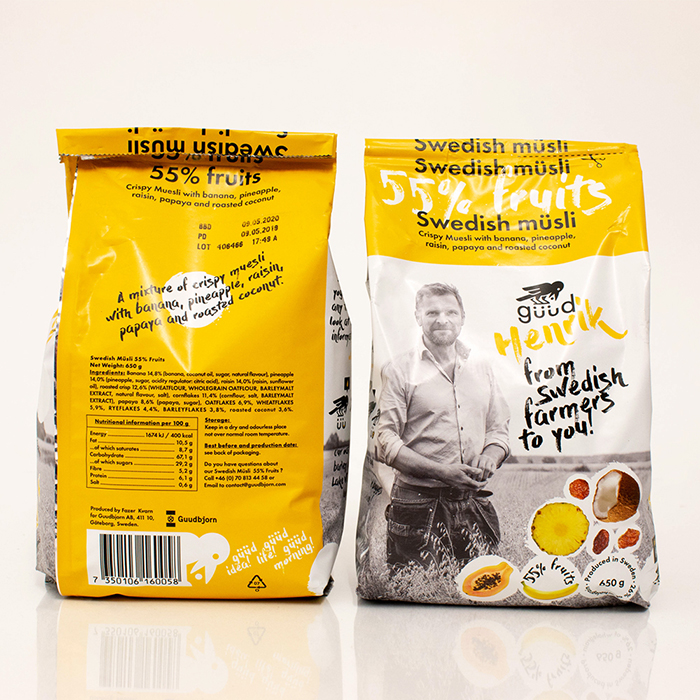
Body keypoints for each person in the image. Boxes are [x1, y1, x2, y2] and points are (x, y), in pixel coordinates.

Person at [375, 282, 510, 571]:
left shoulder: (483, 367)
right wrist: (441, 472)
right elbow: (385, 439)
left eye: (450, 312)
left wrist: (490, 456)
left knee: (481, 587)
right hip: (417, 506)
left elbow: (498, 428)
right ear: (418, 317)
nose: (442, 319)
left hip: (472, 503)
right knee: (416, 590)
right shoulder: (398, 369)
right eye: (432, 312)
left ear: (462, 317)